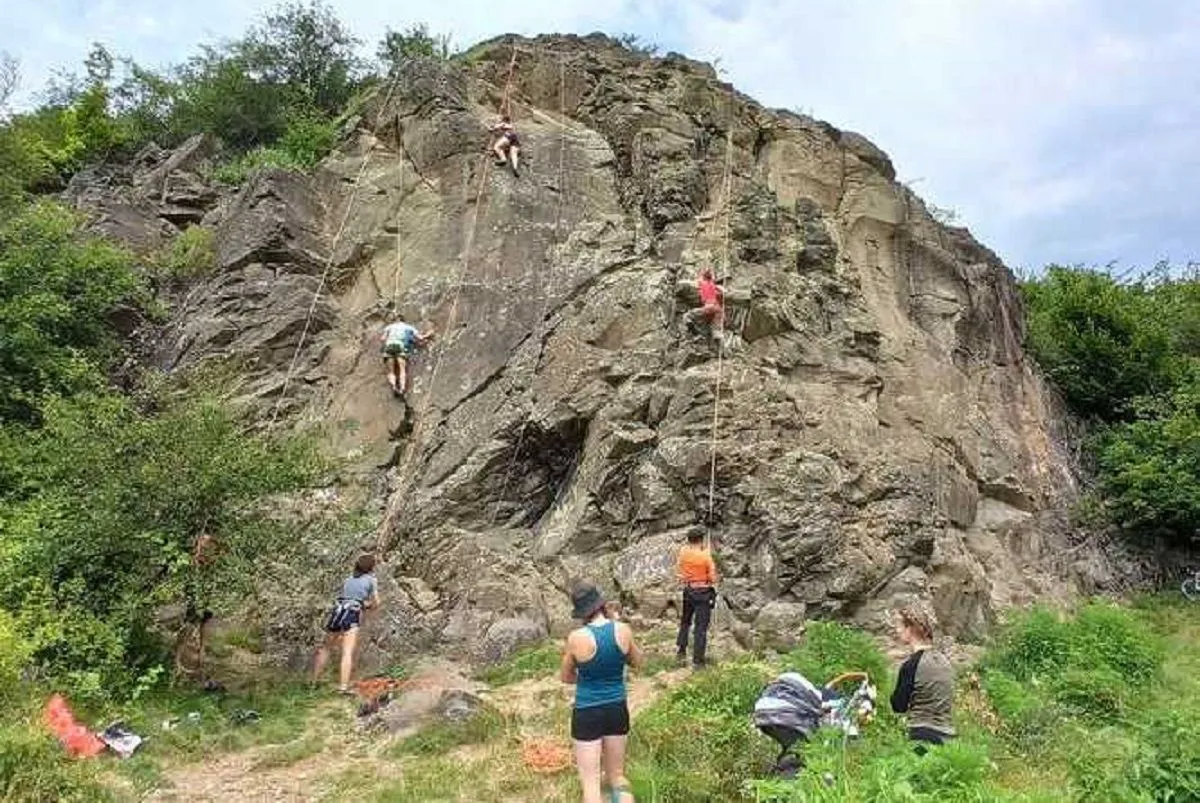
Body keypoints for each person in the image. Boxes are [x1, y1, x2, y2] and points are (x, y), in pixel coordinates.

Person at [561, 582, 642, 803]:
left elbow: (566, 677)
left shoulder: (576, 638)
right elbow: (637, 662)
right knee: (617, 776)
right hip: (616, 707)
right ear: (602, 605)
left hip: (587, 711)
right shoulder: (623, 630)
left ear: (581, 613)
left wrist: (588, 680)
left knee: (591, 782)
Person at [312, 553, 381, 694]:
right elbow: (376, 602)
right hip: (352, 613)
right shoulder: (371, 580)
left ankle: (314, 681)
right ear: (371, 567)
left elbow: (349, 596)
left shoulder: (348, 579)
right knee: (347, 651)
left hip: (338, 611)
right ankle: (343, 687)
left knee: (326, 648)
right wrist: (368, 606)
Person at [890, 607, 955, 750]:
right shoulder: (945, 662)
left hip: (921, 734)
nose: (897, 631)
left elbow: (898, 706)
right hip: (948, 735)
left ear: (910, 629)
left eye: (899, 626)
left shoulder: (911, 665)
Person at [675, 529, 718, 668]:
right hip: (703, 592)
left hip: (688, 590)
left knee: (685, 621)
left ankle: (681, 650)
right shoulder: (705, 557)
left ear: (688, 540)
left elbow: (680, 570)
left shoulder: (683, 552)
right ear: (701, 540)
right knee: (700, 628)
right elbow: (712, 578)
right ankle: (698, 662)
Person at [380, 320, 434, 397]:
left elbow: (382, 339)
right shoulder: (408, 327)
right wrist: (428, 335)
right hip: (399, 345)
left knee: (391, 371)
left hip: (389, 346)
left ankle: (394, 386)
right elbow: (420, 338)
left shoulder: (389, 327)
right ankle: (402, 389)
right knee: (402, 369)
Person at [686, 268, 724, 338]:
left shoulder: (702, 284)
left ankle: (697, 332)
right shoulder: (713, 285)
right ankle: (715, 337)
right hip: (717, 308)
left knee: (687, 316)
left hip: (708, 307)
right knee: (715, 327)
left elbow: (696, 284)